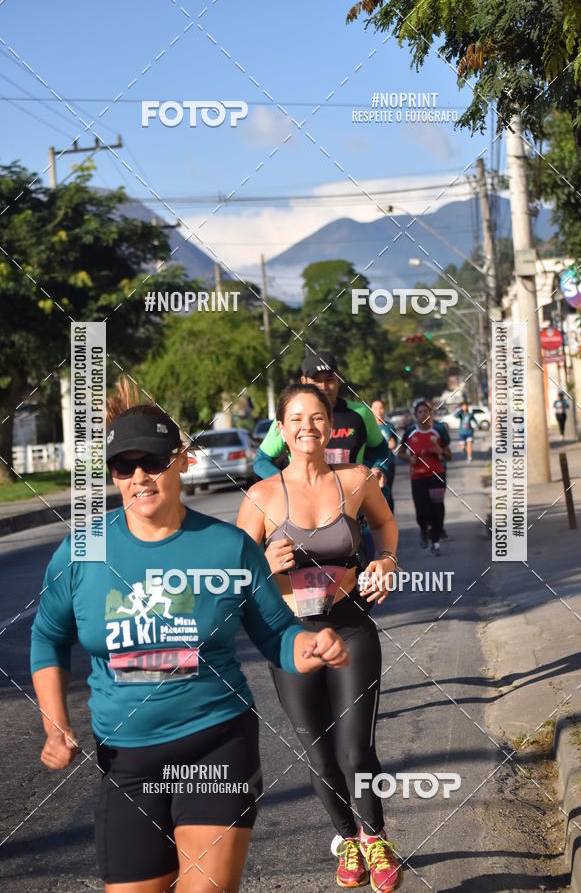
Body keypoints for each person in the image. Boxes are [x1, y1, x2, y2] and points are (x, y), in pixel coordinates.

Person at [30, 378, 349, 893]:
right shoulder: (81, 552)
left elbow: (276, 633)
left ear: (181, 460)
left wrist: (309, 647)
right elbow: (47, 638)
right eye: (123, 466)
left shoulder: (227, 547)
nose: (139, 477)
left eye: (153, 462)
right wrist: (55, 723)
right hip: (125, 758)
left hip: (215, 744)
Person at [238, 382, 403, 892]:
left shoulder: (355, 480)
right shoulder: (262, 496)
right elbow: (234, 575)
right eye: (296, 419)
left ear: (331, 427)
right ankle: (347, 840)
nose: (307, 427)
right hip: (292, 639)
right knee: (319, 752)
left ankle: (375, 837)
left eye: (317, 418)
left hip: (351, 625)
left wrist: (386, 560)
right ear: (281, 431)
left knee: (356, 750)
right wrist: (264, 564)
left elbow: (387, 523)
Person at [254, 349, 394, 560]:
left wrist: (379, 467)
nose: (323, 386)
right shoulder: (287, 417)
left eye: (329, 379)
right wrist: (284, 487)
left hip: (354, 514)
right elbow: (261, 461)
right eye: (316, 380)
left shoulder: (361, 414)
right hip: (304, 516)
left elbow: (381, 448)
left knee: (362, 581)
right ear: (303, 380)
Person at [398, 400, 452, 556]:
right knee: (422, 511)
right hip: (418, 477)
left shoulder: (438, 431)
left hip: (436, 476)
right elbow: (400, 452)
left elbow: (449, 456)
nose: (423, 414)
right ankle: (424, 529)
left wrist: (439, 450)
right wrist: (409, 459)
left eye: (426, 412)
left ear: (430, 415)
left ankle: (435, 541)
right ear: (415, 415)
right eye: (420, 412)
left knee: (437, 508)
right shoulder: (410, 433)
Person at [371, 399, 397, 513]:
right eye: (375, 408)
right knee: (374, 495)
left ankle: (390, 518)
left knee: (387, 492)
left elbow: (394, 443)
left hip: (388, 465)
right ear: (371, 410)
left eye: (381, 408)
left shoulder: (389, 426)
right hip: (373, 465)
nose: (378, 411)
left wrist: (392, 445)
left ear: (384, 410)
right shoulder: (368, 427)